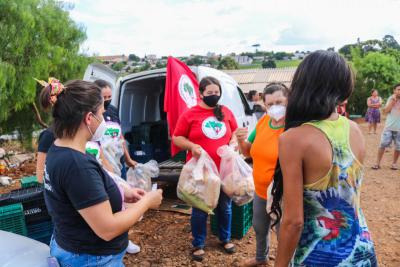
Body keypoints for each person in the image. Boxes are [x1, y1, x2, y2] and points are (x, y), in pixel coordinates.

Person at [270, 51, 377, 267]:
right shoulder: (354, 129)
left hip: (319, 257)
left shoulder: (293, 139)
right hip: (362, 251)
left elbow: (293, 222)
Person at [40, 79, 163, 266]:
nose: (104, 120)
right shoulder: (76, 165)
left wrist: (123, 193)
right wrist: (147, 201)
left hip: (73, 247)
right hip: (92, 259)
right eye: (101, 115)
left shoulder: (60, 149)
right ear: (89, 118)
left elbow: (79, 198)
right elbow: (108, 229)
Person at [173, 76, 238, 262]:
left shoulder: (225, 111)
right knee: (200, 208)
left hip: (224, 169)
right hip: (201, 171)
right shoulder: (190, 114)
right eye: (209, 93)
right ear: (201, 93)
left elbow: (234, 132)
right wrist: (192, 147)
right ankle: (198, 244)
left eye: (216, 93)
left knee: (225, 207)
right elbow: (177, 137)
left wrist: (233, 142)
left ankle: (224, 239)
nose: (213, 95)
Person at [235, 83, 288, 266]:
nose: (275, 107)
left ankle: (287, 262)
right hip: (260, 189)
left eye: (279, 102)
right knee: (259, 226)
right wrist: (241, 140)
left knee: (283, 233)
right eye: (270, 104)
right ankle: (261, 258)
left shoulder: (292, 128)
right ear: (264, 104)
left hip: (282, 193)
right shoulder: (263, 122)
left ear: (288, 100)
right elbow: (248, 151)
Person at [94, 79, 137, 179]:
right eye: (104, 97)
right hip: (102, 163)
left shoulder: (113, 110)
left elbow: (119, 136)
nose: (107, 100)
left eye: (109, 97)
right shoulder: (91, 114)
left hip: (118, 161)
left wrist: (128, 159)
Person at [373, 84, 400, 170]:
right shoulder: (390, 99)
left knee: (398, 146)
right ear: (394, 90)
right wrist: (393, 102)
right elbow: (385, 111)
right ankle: (377, 163)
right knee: (383, 144)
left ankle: (394, 163)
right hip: (388, 127)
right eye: (398, 89)